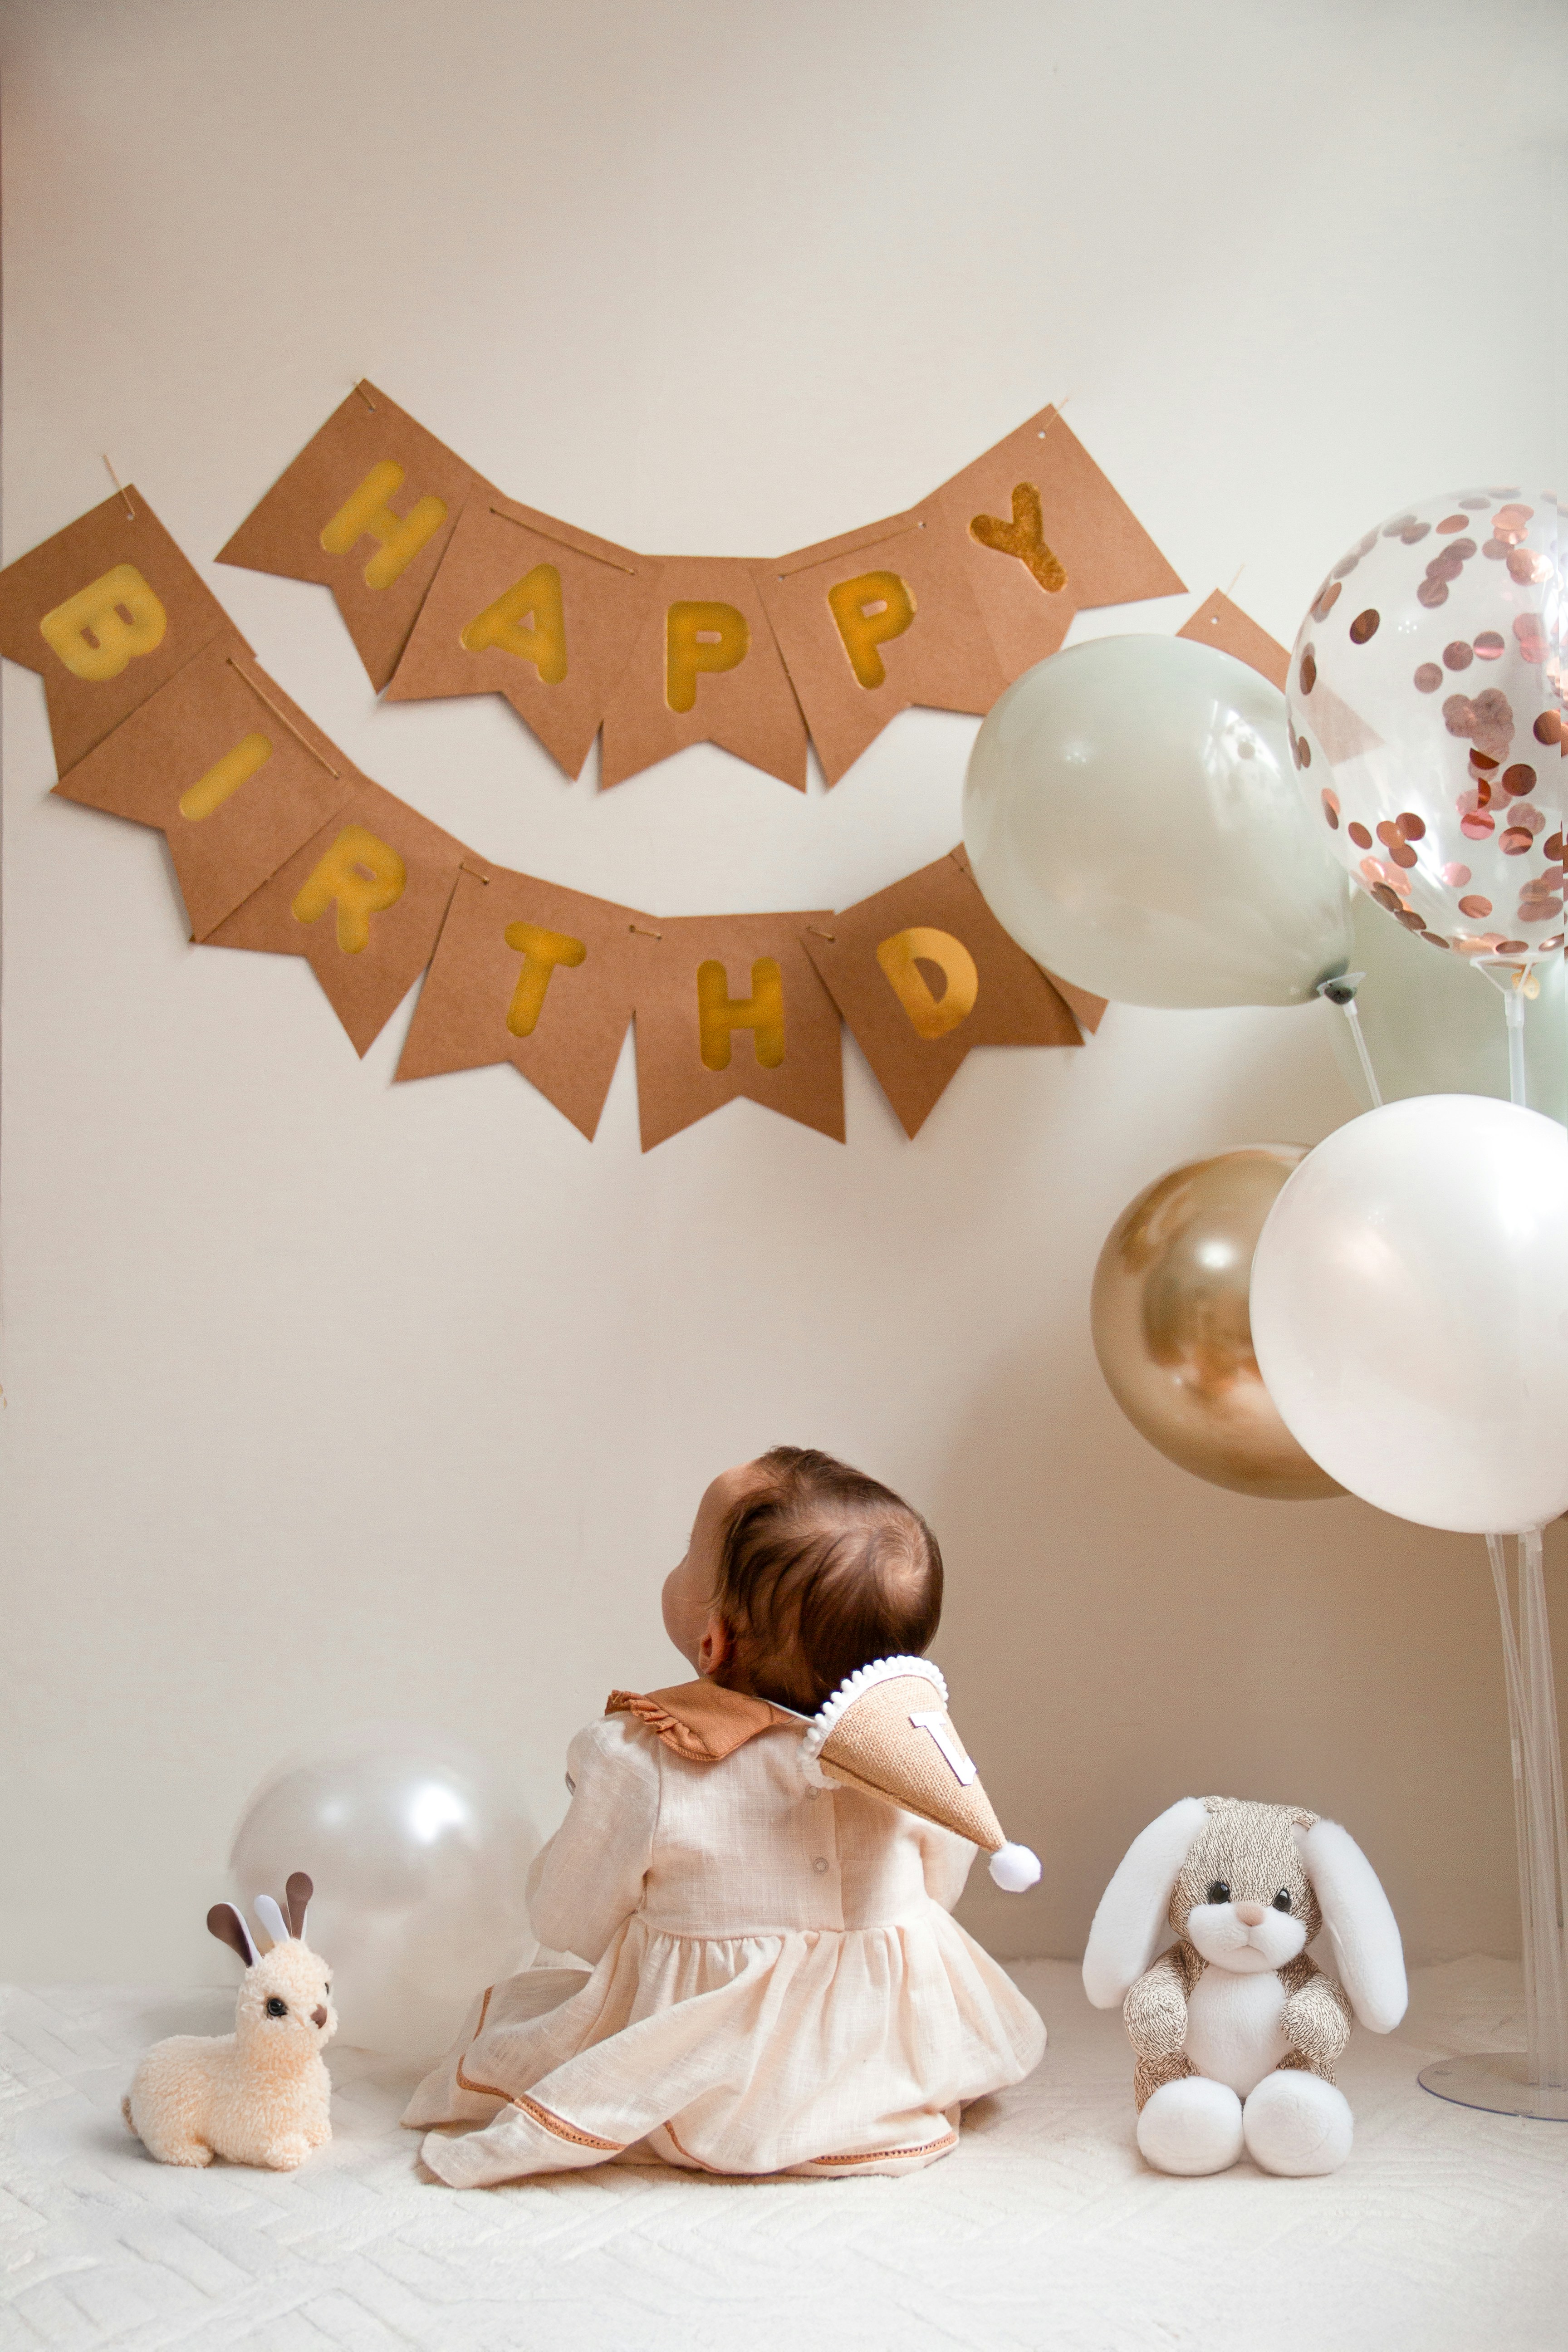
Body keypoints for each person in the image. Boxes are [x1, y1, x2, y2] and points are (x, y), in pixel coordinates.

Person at [405, 1446, 1045, 2185]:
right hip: (882, 2047)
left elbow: (566, 1917)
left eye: (689, 1552)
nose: (678, 1561)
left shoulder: (643, 1760)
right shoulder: (913, 1754)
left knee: (541, 2027)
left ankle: (713, 2099)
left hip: (708, 2056)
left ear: (712, 1642)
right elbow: (938, 1887)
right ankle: (857, 2105)